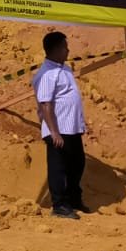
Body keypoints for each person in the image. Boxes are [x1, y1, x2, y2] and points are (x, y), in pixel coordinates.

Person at [33, 30, 89, 219]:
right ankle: (59, 205)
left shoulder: (64, 68)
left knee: (78, 163)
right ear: (56, 49)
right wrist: (54, 132)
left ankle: (74, 199)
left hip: (71, 127)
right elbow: (45, 103)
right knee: (59, 168)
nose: (68, 50)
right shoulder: (47, 74)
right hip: (58, 129)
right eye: (65, 47)